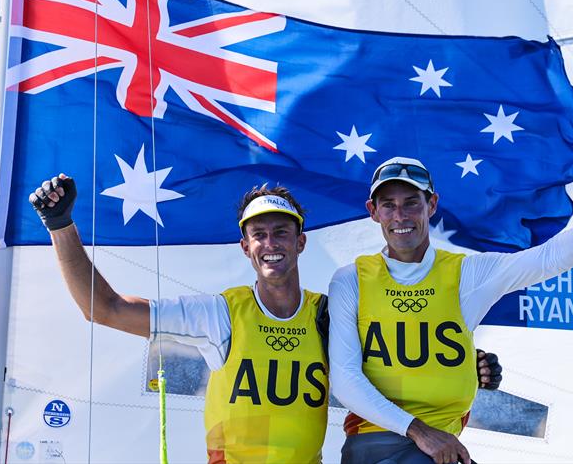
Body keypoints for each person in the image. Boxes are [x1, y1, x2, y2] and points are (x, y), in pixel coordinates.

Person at [29, 174, 502, 463]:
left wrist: (468, 363)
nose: (270, 243)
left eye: (282, 232)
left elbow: (408, 353)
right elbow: (103, 309)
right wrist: (61, 226)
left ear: (300, 243)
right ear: (245, 246)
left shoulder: (327, 313)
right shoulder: (219, 314)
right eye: (259, 234)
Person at [328, 157, 573, 464]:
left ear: (432, 204)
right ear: (373, 212)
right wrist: (419, 431)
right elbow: (346, 380)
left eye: (412, 203)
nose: (399, 216)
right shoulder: (351, 280)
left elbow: (548, 259)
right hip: (380, 444)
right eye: (388, 205)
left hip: (442, 446)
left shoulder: (466, 274)